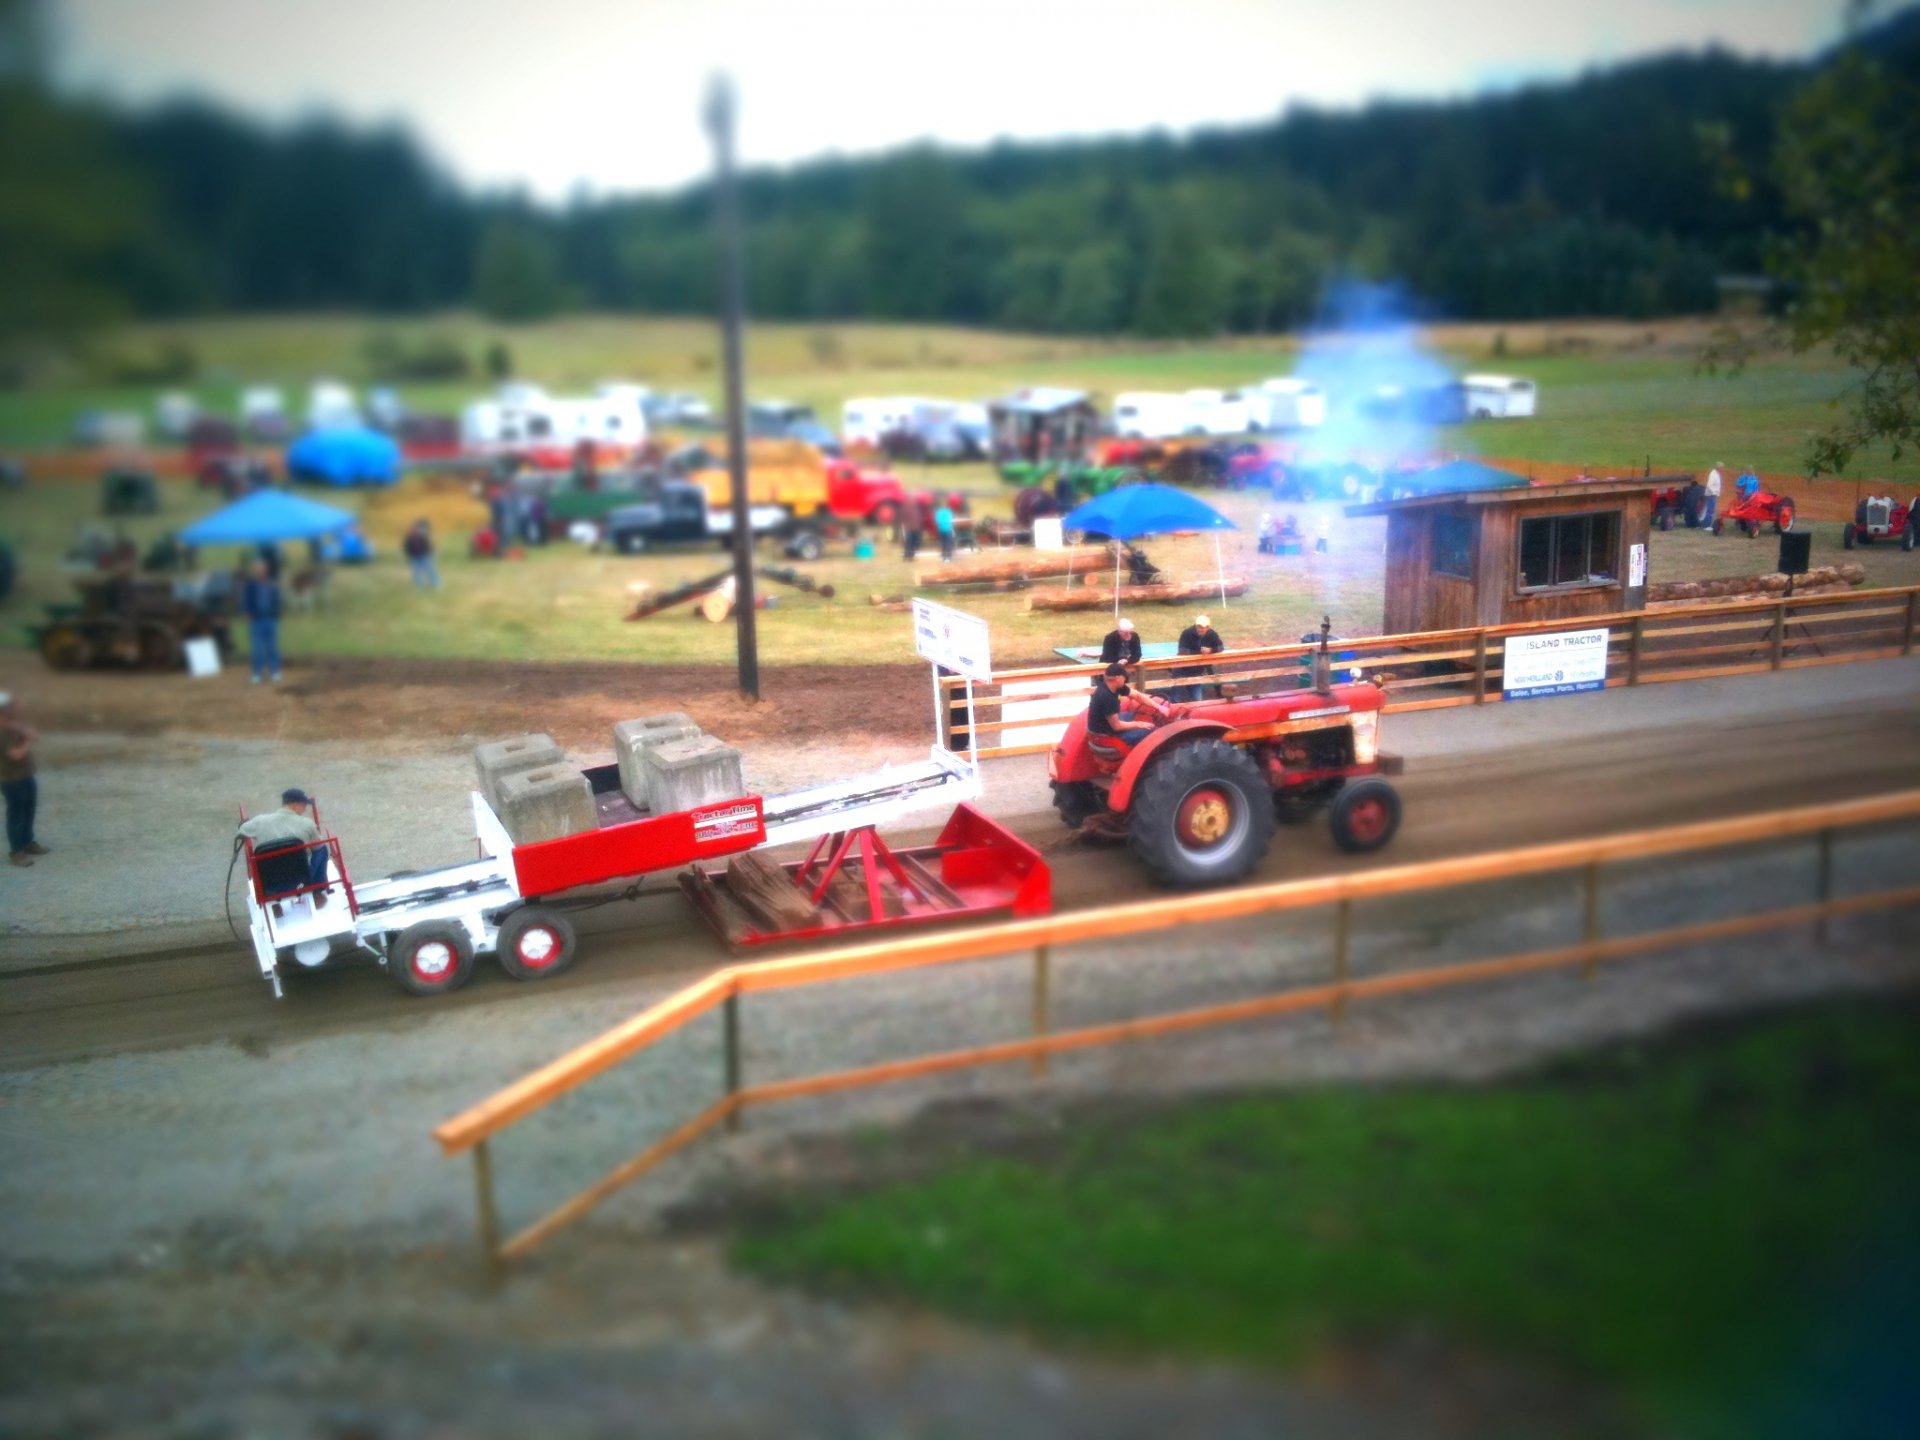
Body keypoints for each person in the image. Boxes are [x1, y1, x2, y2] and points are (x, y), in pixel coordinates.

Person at [238, 787, 329, 902]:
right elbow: (318, 847)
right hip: (299, 879)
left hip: (270, 881)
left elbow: (242, 829)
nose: (305, 809)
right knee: (322, 849)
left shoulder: (260, 821)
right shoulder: (307, 824)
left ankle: (275, 903)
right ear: (295, 805)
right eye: (304, 805)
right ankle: (317, 889)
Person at [1, 691, 46, 868]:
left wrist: (23, 731)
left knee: (28, 810)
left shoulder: (11, 725)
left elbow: (33, 733)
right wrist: (28, 741)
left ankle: (28, 842)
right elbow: (15, 754)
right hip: (11, 779)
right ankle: (16, 851)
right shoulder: (2, 732)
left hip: (25, 775)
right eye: (10, 707)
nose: (14, 708)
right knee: (16, 815)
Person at [1087, 663, 1154, 748]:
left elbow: (1137, 695)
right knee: (1150, 731)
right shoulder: (1107, 697)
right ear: (1117, 678)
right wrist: (1139, 724)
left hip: (1102, 728)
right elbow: (1117, 726)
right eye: (1124, 677)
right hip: (1105, 738)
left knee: (1129, 716)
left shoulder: (1109, 686)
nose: (1126, 679)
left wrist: (1159, 707)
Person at [240, 558, 284, 684]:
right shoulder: (250, 584)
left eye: (262, 568)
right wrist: (248, 612)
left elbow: (277, 599)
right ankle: (256, 673)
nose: (260, 570)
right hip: (256, 619)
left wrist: (276, 612)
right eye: (257, 568)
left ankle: (274, 671)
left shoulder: (271, 583)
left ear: (266, 569)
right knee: (257, 648)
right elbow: (246, 600)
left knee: (272, 646)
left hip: (270, 618)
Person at [1175, 613, 1226, 703]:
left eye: (1202, 627)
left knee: (1197, 699)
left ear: (1208, 627)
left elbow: (1221, 647)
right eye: (1198, 626)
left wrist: (1211, 650)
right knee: (1176, 698)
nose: (1200, 629)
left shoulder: (1212, 634)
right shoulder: (1187, 633)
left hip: (1197, 671)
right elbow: (1182, 651)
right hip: (1182, 668)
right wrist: (1200, 652)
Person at [403, 519, 440, 589]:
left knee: (430, 570)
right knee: (417, 573)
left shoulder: (422, 535)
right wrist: (409, 555)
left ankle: (436, 584)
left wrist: (432, 552)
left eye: (414, 527)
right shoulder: (409, 537)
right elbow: (406, 547)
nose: (412, 529)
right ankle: (419, 587)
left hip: (425, 555)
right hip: (415, 557)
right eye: (411, 528)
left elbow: (430, 544)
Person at [900, 493, 924, 561]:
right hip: (910, 527)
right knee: (909, 542)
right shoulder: (907, 507)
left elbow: (919, 517)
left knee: (912, 542)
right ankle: (908, 556)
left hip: (914, 527)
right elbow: (903, 516)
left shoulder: (917, 507)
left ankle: (910, 556)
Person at [935, 495, 959, 561]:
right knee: (948, 544)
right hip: (948, 529)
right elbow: (951, 520)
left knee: (943, 544)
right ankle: (948, 557)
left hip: (941, 530)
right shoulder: (949, 511)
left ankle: (944, 556)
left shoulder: (938, 512)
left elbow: (937, 521)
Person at [1703, 463, 1723, 529]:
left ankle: (1707, 524)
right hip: (1711, 495)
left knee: (1710, 510)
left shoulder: (1716, 474)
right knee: (1710, 510)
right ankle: (1707, 526)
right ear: (1718, 468)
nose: (1722, 469)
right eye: (1721, 468)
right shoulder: (1713, 474)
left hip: (1713, 494)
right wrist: (1714, 492)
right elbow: (1709, 485)